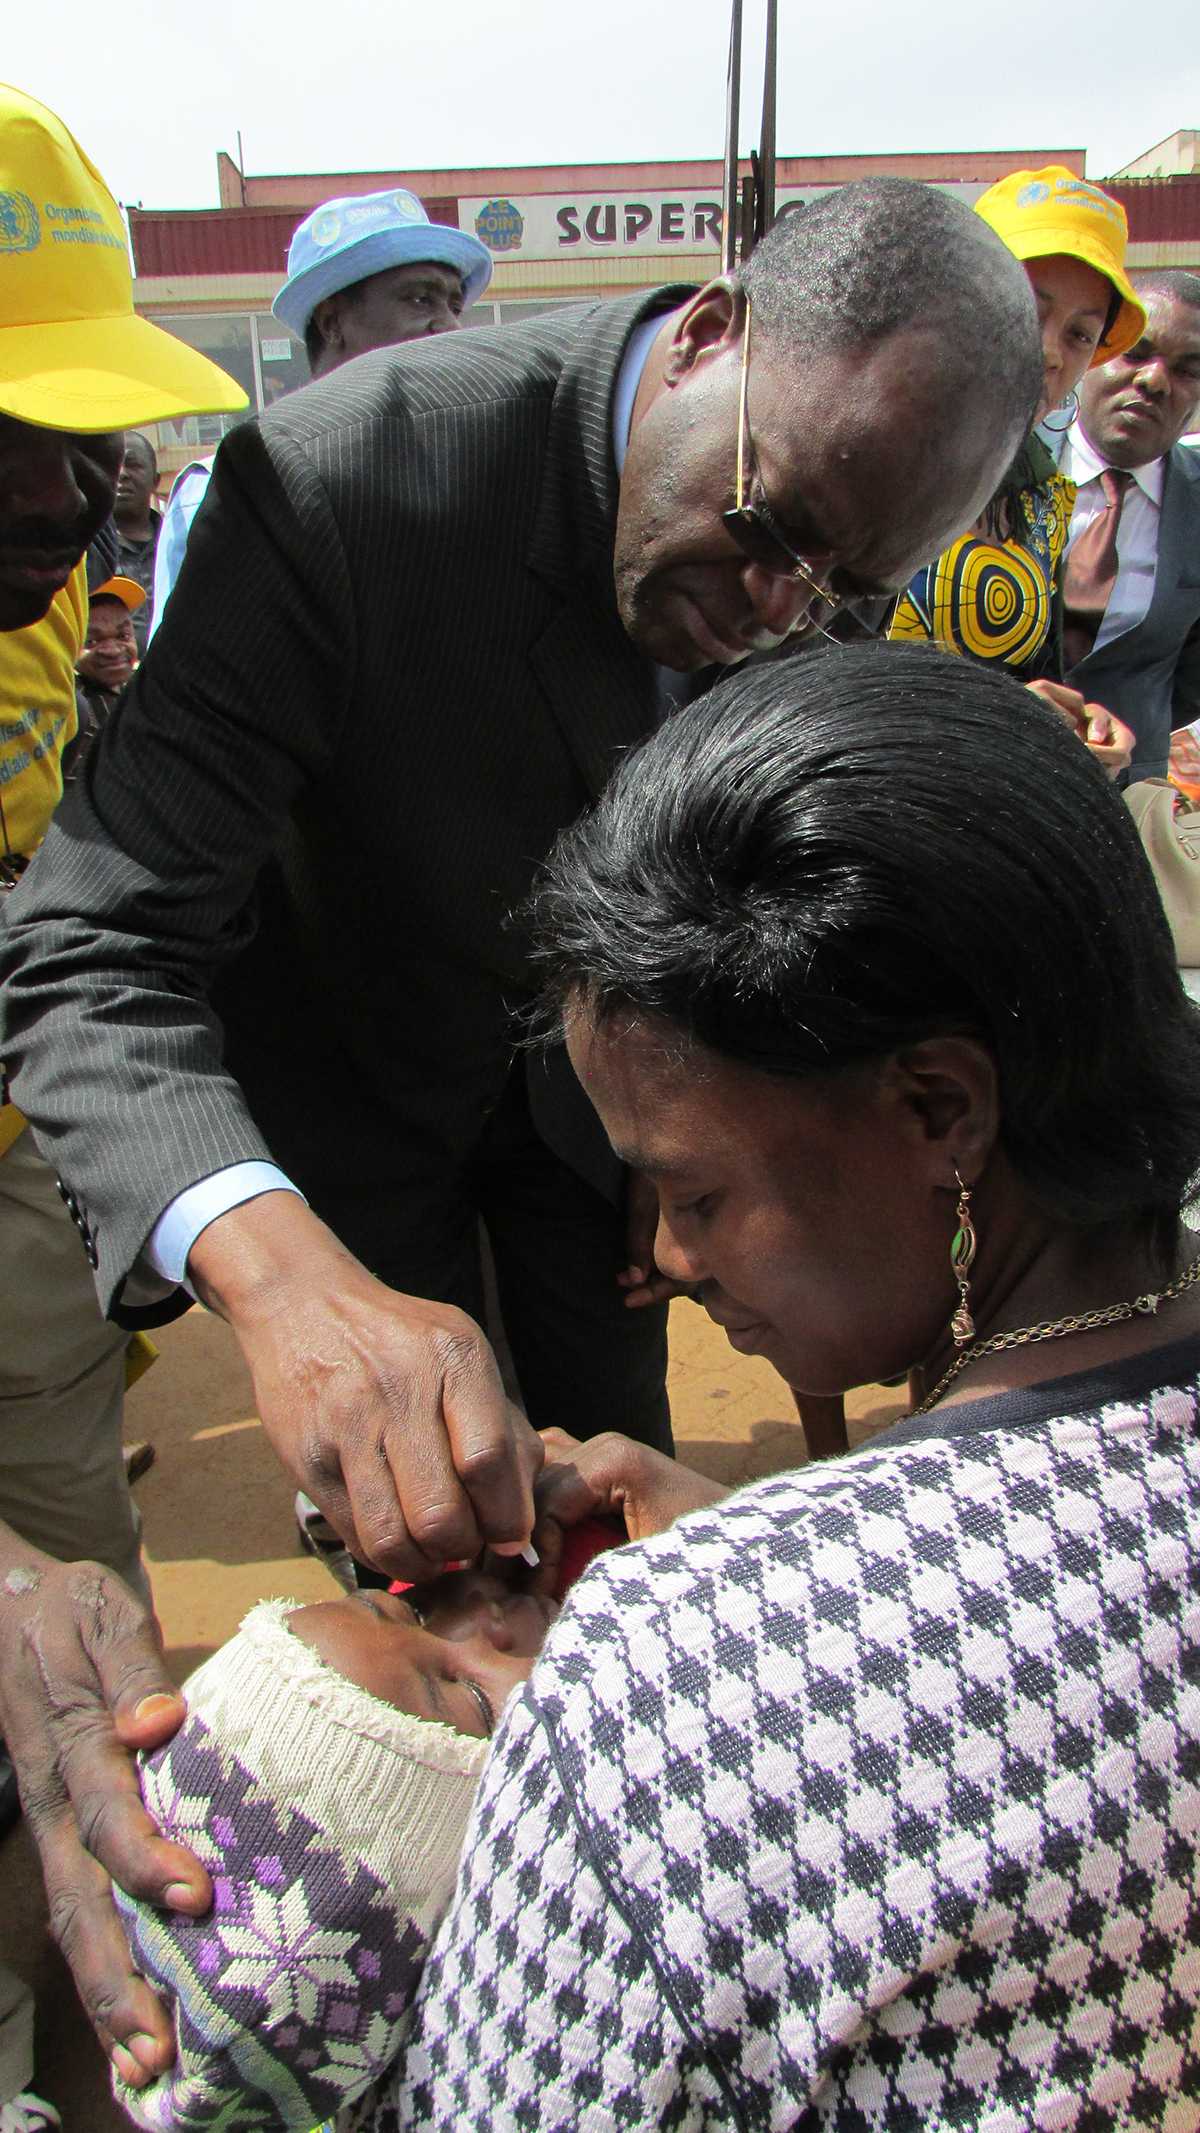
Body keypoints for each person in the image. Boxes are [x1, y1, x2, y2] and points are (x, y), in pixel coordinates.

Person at [0, 177, 1044, 2090]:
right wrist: (280, 1264)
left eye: (846, 583)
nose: (779, 613)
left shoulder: (806, 559)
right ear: (717, 328)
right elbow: (91, 936)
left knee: (594, 1564)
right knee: (417, 1580)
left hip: (609, 1174)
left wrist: (696, 1164)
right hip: (348, 1139)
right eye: (769, 527)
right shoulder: (351, 483)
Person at [306, 642, 1200, 2131]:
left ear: (938, 1111)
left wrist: (668, 1690)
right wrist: (763, 1554)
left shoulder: (658, 1696)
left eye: (694, 1192)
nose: (668, 1255)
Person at [0, 79, 246, 2133]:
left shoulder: (44, 610)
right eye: (4, 440)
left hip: (12, 1225)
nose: (62, 494)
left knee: (89, 1720)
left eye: (77, 439)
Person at [890, 166, 1144, 776]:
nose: (1051, 351)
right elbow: (787, 681)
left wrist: (1074, 730)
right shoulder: (865, 460)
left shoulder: (1042, 500)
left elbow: (1036, 676)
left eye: (1081, 334)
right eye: (1028, 309)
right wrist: (999, 717)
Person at [149, 186, 493, 636]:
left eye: (454, 305)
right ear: (332, 321)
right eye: (419, 299)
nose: (448, 326)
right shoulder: (229, 493)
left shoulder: (475, 483)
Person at [1058, 269, 1200, 779]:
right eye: (1137, 353)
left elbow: (1189, 682)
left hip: (1127, 803)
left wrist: (1135, 717)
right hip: (981, 787)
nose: (1154, 380)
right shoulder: (1000, 467)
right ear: (1094, 353)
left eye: (1188, 370)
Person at [67, 573, 143, 779]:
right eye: (91, 641)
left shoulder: (148, 685)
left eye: (122, 636)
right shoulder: (69, 708)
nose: (112, 650)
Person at [112, 433, 160, 652]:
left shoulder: (184, 543)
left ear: (155, 481)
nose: (122, 474)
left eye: (133, 465)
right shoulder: (85, 552)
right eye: (114, 465)